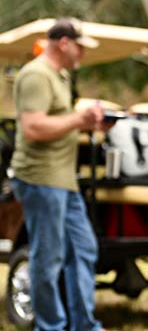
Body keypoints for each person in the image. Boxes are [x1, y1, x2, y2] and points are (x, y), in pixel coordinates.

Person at [9, 18, 110, 331]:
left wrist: (90, 123)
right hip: (40, 180)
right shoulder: (36, 75)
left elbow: (61, 122)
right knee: (48, 259)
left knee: (84, 248)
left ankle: (84, 325)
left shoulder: (61, 76)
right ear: (64, 43)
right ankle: (50, 326)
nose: (82, 53)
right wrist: (78, 119)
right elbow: (33, 127)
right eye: (80, 47)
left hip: (64, 181)